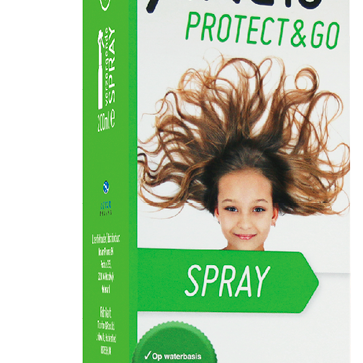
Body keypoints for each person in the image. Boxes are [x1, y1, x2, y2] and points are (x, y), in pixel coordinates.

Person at [138, 57, 349, 251]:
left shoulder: (290, 276)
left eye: (258, 209)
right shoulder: (194, 274)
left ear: (274, 213)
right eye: (231, 208)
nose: (245, 224)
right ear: (217, 211)